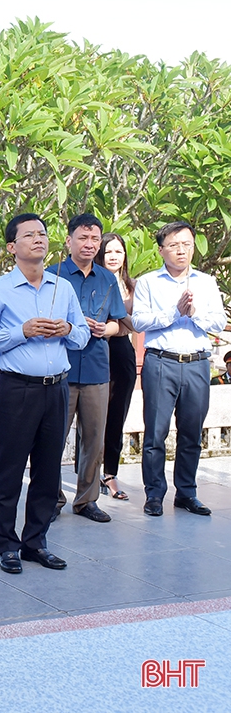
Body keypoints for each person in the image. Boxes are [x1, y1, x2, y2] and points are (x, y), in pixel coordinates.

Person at [0, 213, 89, 575]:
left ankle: (36, 541)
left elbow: (83, 335)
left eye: (42, 234)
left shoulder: (62, 287)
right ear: (11, 247)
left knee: (48, 470)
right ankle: (6, 544)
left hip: (56, 388)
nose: (39, 239)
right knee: (7, 469)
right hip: (16, 388)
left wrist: (67, 328)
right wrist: (22, 331)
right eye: (29, 235)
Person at [131, 221, 227, 517]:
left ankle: (186, 492)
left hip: (198, 363)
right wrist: (174, 313)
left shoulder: (206, 281)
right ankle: (154, 494)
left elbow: (219, 322)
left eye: (187, 243)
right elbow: (139, 322)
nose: (181, 250)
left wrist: (194, 313)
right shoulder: (148, 282)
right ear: (161, 250)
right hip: (161, 362)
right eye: (174, 245)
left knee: (191, 433)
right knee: (156, 433)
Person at [51, 214, 127, 524]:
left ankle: (86, 500)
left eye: (95, 239)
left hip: (97, 368)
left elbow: (120, 325)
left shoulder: (107, 278)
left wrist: (105, 329)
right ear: (69, 240)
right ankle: (51, 498)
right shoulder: (52, 275)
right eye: (83, 238)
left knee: (94, 440)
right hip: (62, 368)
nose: (89, 244)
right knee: (53, 438)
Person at [97, 233, 137, 500]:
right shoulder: (96, 282)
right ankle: (85, 474)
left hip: (123, 351)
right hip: (98, 350)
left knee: (117, 415)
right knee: (91, 416)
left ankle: (109, 473)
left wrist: (121, 319)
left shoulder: (133, 285)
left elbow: (132, 324)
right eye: (108, 251)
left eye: (118, 252)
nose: (113, 256)